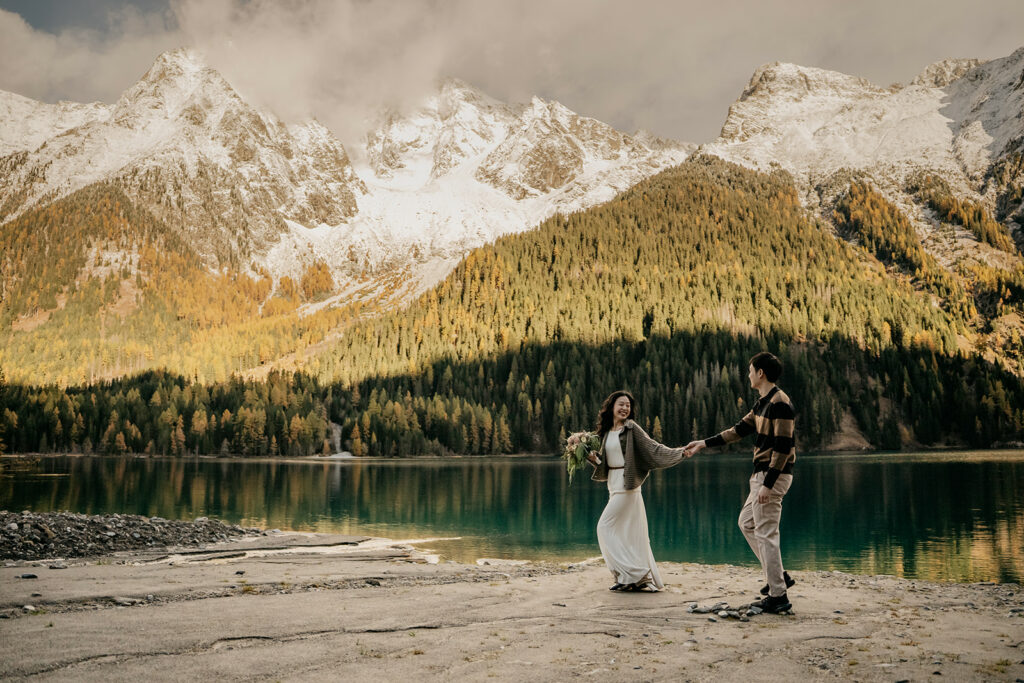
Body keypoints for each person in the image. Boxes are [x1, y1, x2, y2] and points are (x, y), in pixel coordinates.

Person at [684, 352, 797, 614]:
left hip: (772, 475)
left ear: (761, 373)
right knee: (747, 523)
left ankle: (778, 595)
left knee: (767, 533)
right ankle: (778, 576)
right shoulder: (762, 404)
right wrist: (703, 443)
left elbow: (783, 446)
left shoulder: (780, 403)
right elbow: (737, 431)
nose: (748, 375)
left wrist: (768, 484)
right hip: (761, 476)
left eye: (750, 371)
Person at [587, 390, 689, 592]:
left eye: (628, 405)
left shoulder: (631, 428)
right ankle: (627, 578)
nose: (625, 408)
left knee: (604, 527)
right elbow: (607, 463)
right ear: (612, 407)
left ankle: (637, 574)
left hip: (628, 486)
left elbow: (654, 449)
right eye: (621, 404)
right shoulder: (607, 432)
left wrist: (681, 452)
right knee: (625, 533)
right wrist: (592, 459)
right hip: (613, 484)